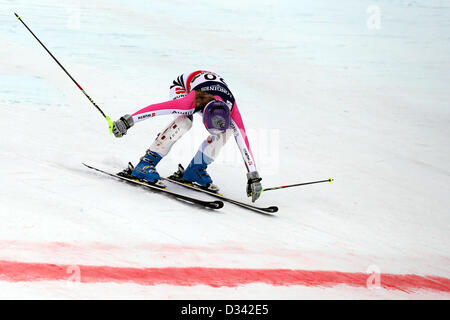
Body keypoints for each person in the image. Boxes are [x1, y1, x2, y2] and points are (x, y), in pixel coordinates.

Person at [112, 70, 263, 202]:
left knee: (228, 131)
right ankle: (146, 163)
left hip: (211, 91)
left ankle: (195, 170)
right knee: (185, 121)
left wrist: (253, 176)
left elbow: (243, 141)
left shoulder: (232, 110)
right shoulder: (188, 102)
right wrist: (128, 121)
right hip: (182, 86)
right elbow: (157, 109)